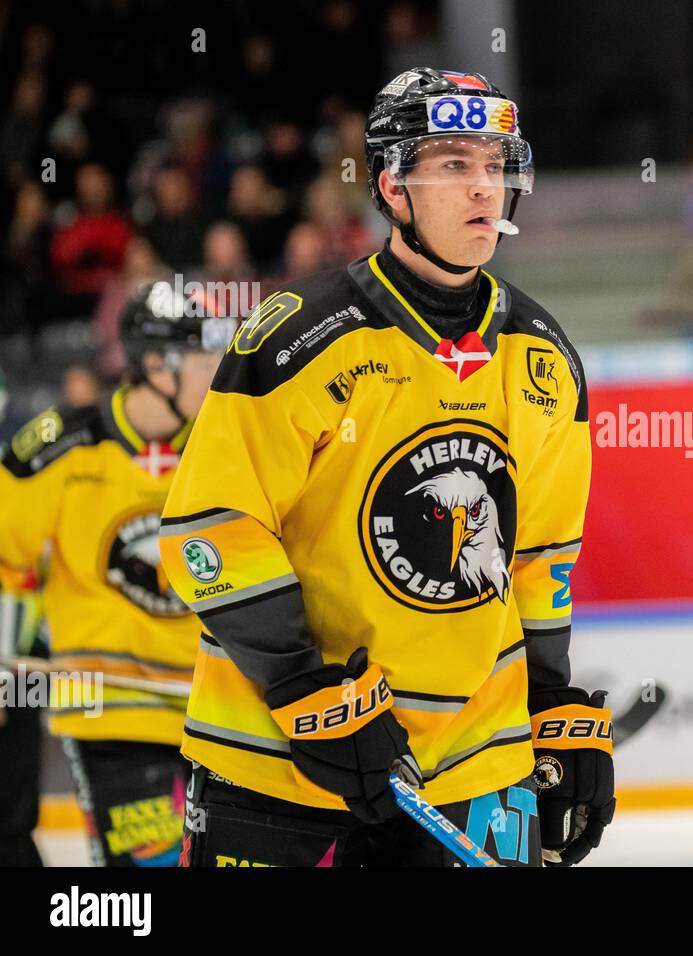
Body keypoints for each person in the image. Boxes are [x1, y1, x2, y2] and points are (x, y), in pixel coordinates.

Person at [161, 68, 614, 867]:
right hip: (277, 766)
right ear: (393, 186)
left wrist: (551, 710)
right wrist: (303, 690)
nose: (484, 186)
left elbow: (542, 555)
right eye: (452, 165)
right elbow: (210, 529)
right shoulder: (298, 337)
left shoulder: (543, 357)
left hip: (474, 766)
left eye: (494, 164)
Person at [0, 281, 229, 865]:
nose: (219, 372)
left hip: (214, 715)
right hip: (110, 714)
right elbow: (6, 559)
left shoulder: (222, 447)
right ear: (156, 364)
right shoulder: (61, 447)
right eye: (205, 358)